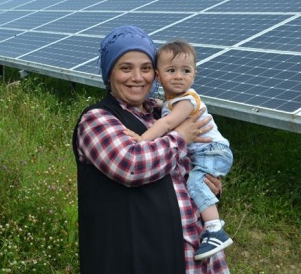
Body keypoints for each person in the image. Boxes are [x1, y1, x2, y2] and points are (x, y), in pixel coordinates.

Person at [72, 25, 229, 274]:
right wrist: (179, 137)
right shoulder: (97, 120)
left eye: (145, 68)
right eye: (126, 68)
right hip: (139, 257)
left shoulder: (161, 112)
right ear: (109, 73)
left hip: (195, 252)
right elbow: (131, 166)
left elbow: (192, 163)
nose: (138, 77)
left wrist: (210, 184)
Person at [125, 40, 234, 261]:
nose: (178, 76)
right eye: (171, 70)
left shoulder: (187, 101)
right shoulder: (171, 101)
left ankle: (215, 229)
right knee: (197, 184)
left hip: (212, 151)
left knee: (195, 183)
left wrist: (142, 139)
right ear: (158, 75)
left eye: (186, 71)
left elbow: (165, 124)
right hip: (208, 152)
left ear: (194, 73)